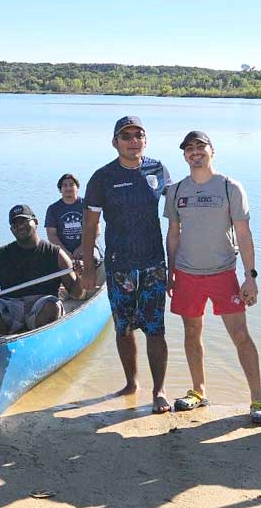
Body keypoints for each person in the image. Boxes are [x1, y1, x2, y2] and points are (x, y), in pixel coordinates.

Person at [164, 131, 261, 424]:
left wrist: (250, 277)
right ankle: (198, 391)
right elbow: (173, 235)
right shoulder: (175, 191)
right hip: (186, 274)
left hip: (223, 273)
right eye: (189, 148)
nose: (195, 152)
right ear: (184, 155)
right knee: (191, 333)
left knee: (240, 336)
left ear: (213, 151)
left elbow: (244, 234)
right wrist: (170, 271)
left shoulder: (229, 187)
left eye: (201, 146)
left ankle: (258, 399)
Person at [80, 116, 172, 414]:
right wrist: (89, 269)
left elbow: (178, 216)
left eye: (138, 135)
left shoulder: (158, 170)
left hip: (154, 262)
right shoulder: (102, 177)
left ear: (145, 139)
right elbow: (90, 225)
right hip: (119, 264)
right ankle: (131, 384)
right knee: (124, 328)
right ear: (115, 142)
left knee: (155, 329)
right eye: (126, 136)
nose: (133, 140)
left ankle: (159, 389)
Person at [0, 204, 83, 335]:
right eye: (15, 224)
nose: (20, 226)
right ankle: (4, 342)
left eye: (24, 221)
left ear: (36, 222)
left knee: (51, 307)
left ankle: (40, 340)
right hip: (11, 306)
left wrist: (79, 277)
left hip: (41, 305)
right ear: (11, 229)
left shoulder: (55, 253)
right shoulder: (0, 255)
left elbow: (76, 294)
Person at [44, 173, 85, 259]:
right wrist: (65, 252)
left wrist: (81, 248)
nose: (68, 188)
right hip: (61, 249)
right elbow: (52, 236)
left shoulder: (87, 205)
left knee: (95, 259)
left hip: (86, 245)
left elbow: (96, 229)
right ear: (60, 189)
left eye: (71, 185)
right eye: (65, 185)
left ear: (77, 188)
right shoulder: (53, 209)